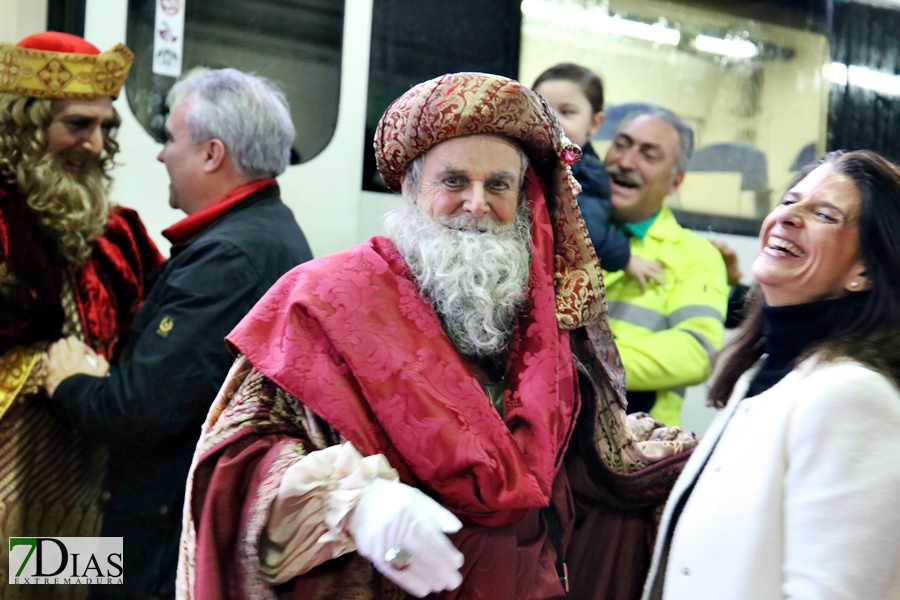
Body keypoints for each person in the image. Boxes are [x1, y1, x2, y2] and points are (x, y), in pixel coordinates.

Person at [175, 72, 697, 600]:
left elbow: (594, 456)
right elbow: (236, 463)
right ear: (411, 188)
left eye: (498, 185)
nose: (476, 203)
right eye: (453, 182)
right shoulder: (323, 299)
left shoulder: (542, 321)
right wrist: (353, 501)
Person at [43, 68, 314, 600]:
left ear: (213, 154)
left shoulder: (231, 257)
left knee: (25, 567)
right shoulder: (248, 235)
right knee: (27, 568)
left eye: (170, 139)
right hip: (148, 520)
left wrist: (69, 379)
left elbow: (136, 410)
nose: (160, 154)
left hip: (148, 542)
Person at [643, 149, 900, 599]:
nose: (790, 216)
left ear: (865, 270)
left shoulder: (854, 396)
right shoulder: (764, 374)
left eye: (824, 213)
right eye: (788, 201)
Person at [0, 31, 162, 599]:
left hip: (84, 472)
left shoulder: (120, 234)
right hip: (8, 463)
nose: (94, 145)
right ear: (24, 126)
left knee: (68, 588)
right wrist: (36, 362)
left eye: (105, 128)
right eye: (77, 125)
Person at [602, 108, 728, 426]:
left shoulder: (696, 255)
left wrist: (584, 363)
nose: (626, 162)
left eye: (649, 154)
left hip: (630, 448)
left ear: (675, 181)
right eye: (621, 144)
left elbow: (696, 353)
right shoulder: (563, 229)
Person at [533, 63, 663, 291]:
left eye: (566, 112)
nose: (550, 121)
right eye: (541, 110)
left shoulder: (587, 173)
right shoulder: (522, 158)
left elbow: (583, 224)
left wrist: (623, 257)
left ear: (594, 124)